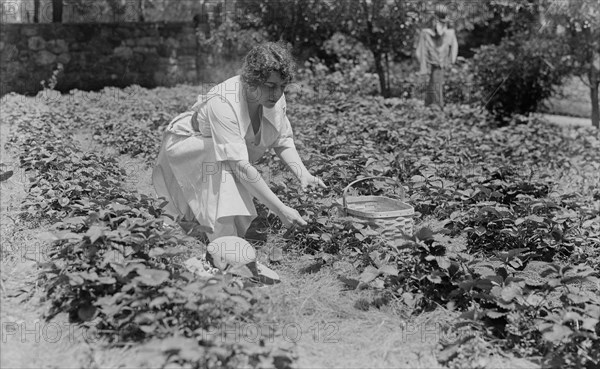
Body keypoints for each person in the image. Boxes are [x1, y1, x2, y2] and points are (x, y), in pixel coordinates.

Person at [152, 42, 326, 242]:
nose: (278, 94)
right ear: (252, 81)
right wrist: (281, 210)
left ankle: (223, 230)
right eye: (271, 86)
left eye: (282, 86)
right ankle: (224, 243)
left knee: (225, 165)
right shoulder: (223, 101)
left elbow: (283, 140)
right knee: (222, 163)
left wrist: (303, 174)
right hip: (187, 142)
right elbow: (240, 166)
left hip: (213, 145)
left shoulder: (272, 97)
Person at [415, 5, 458, 110]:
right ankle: (432, 107)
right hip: (436, 64)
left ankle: (436, 109)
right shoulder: (427, 33)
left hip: (438, 64)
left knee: (435, 86)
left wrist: (451, 60)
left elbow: (453, 47)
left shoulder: (448, 33)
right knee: (434, 85)